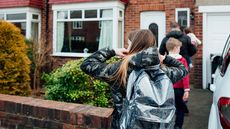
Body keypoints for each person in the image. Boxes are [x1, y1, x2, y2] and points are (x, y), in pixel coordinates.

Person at [80, 29, 188, 129]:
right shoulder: (162, 71)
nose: (127, 47)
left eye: (128, 44)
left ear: (133, 45)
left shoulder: (120, 69)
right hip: (156, 124)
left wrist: (113, 51)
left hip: (124, 124)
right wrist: (164, 58)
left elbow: (87, 64)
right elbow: (182, 69)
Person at [166, 38, 190, 129]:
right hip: (179, 89)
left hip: (167, 89)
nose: (180, 49)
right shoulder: (182, 60)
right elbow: (185, 76)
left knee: (169, 108)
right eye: (179, 47)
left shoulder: (165, 59)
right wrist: (186, 90)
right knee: (180, 108)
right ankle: (178, 126)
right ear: (176, 48)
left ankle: (169, 125)